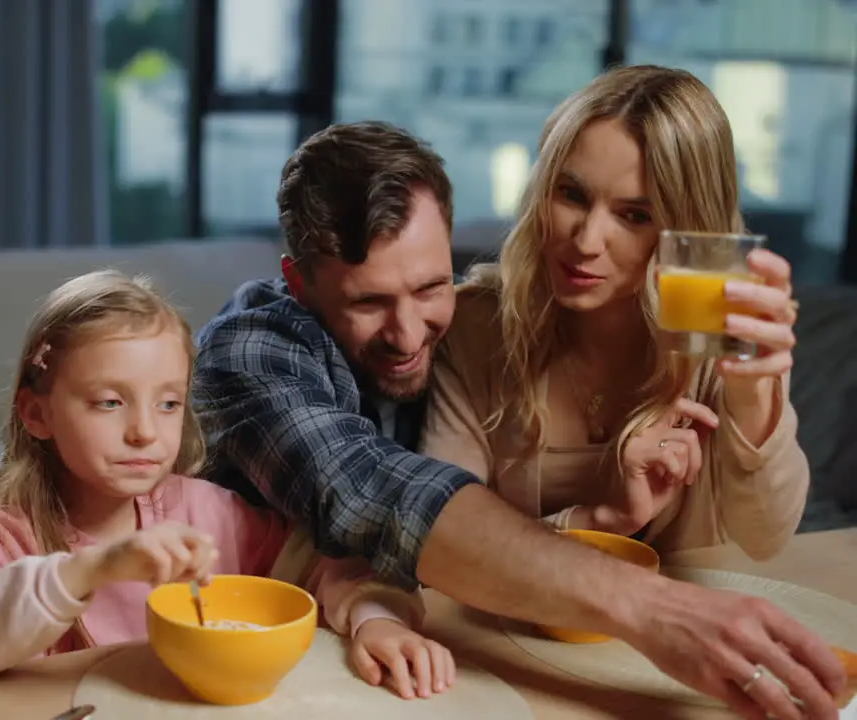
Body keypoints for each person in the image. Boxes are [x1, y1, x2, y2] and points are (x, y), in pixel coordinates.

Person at [191, 119, 846, 719]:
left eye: (429, 287)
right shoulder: (252, 351)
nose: (409, 333)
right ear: (300, 284)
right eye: (369, 302)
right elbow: (374, 491)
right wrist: (657, 611)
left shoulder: (473, 332)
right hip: (240, 675)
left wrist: (608, 516)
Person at [0, 270, 456, 700]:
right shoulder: (1, 539)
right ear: (36, 415)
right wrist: (89, 570)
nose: (143, 431)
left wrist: (375, 620)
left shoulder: (206, 515)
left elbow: (330, 564)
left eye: (168, 403)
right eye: (109, 402)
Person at [420, 65, 808, 563]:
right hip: (510, 631)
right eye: (571, 194)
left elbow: (765, 539)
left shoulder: (723, 328)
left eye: (634, 216)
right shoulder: (477, 326)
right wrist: (603, 521)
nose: (585, 242)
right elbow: (446, 536)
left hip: (683, 632)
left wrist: (754, 396)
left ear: (687, 228)